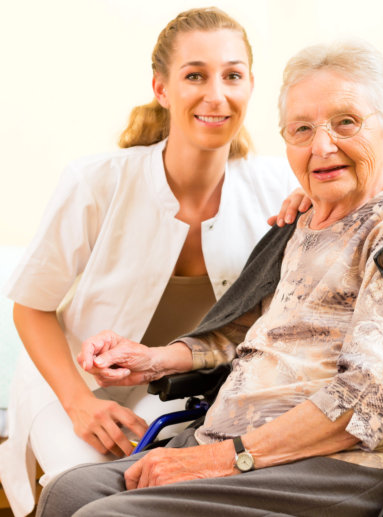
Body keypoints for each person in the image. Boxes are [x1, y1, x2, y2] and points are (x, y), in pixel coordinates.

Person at [37, 38, 383, 517]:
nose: (322, 146)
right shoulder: (296, 225)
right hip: (237, 448)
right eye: (302, 129)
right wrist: (153, 359)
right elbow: (245, 334)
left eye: (347, 122)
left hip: (337, 466)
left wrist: (221, 458)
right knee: (67, 493)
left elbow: (367, 397)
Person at [0, 7, 309, 517]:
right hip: (74, 388)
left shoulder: (279, 191)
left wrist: (315, 200)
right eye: (195, 76)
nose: (216, 94)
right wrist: (80, 404)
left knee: (158, 489)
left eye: (232, 75)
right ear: (162, 89)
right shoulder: (95, 182)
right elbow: (30, 307)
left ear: (251, 85)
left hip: (177, 384)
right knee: (81, 484)